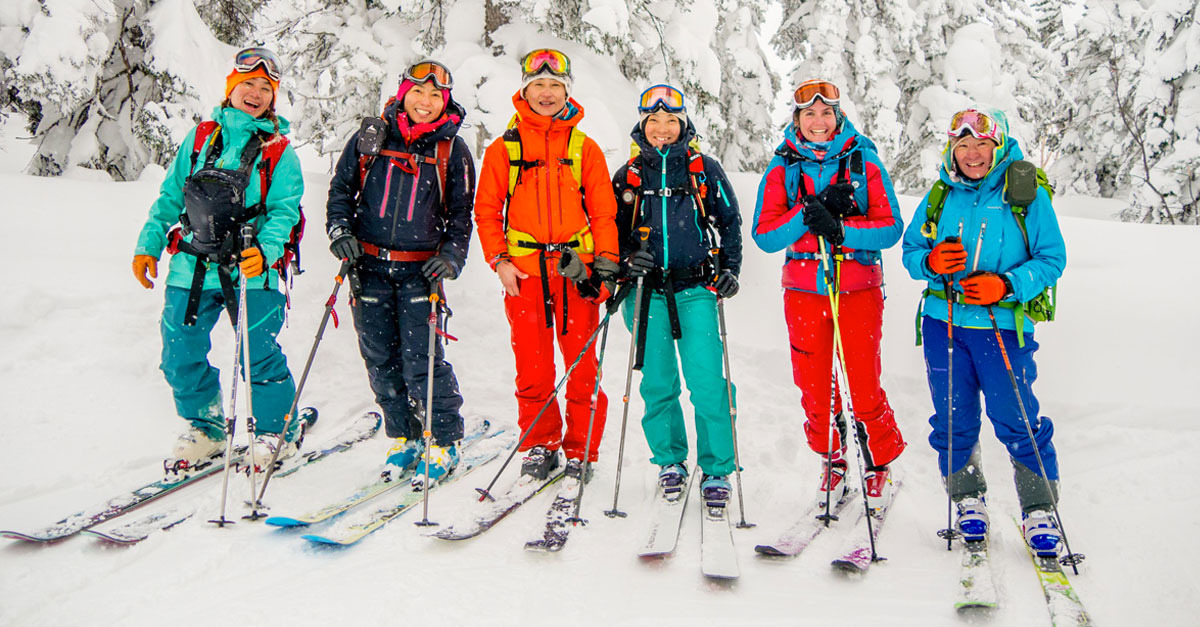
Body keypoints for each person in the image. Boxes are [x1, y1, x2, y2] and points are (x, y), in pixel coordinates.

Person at [900, 107, 1067, 555]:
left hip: (1002, 328)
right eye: (963, 145)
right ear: (952, 149)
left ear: (998, 147)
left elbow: (1052, 259)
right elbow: (911, 249)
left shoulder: (1024, 194)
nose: (972, 154)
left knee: (1016, 419)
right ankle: (967, 500)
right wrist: (930, 263)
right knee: (953, 419)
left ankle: (1038, 508)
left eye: (982, 145)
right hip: (943, 323)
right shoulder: (941, 193)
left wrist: (1006, 284)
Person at [133, 47, 303, 477]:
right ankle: (205, 425)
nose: (257, 92)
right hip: (191, 267)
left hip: (251, 271)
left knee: (258, 355)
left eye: (266, 87)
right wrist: (148, 244)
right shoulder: (200, 137)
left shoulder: (279, 152)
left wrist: (265, 250)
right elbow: (172, 195)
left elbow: (284, 210)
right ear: (231, 86)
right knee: (179, 354)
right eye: (249, 83)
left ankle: (273, 431)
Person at [752, 79, 906, 511]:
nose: (817, 122)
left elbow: (891, 227)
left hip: (857, 288)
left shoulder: (864, 162)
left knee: (862, 382)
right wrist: (808, 211)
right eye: (808, 114)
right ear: (796, 119)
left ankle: (878, 465)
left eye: (825, 113)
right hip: (804, 290)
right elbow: (764, 235)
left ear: (837, 116)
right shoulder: (783, 167)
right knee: (815, 387)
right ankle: (832, 460)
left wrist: (841, 229)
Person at [325, 60, 474, 487]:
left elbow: (461, 216)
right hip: (367, 266)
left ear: (444, 101)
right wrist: (339, 231)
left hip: (419, 271)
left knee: (422, 360)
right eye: (417, 92)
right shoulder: (372, 136)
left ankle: (444, 439)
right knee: (379, 358)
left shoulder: (452, 150)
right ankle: (403, 435)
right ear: (403, 93)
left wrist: (451, 257)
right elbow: (341, 191)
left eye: (434, 96)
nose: (424, 103)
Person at [473, 48, 620, 482]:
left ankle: (581, 450)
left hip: (578, 273)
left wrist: (606, 267)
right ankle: (540, 444)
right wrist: (498, 260)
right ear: (524, 90)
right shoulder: (505, 149)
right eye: (539, 84)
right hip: (524, 274)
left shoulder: (584, 147)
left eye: (556, 85)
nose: (547, 92)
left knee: (581, 366)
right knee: (533, 367)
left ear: (566, 91)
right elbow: (487, 211)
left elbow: (603, 212)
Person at [610, 84, 742, 502]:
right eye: (654, 121)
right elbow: (610, 233)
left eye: (671, 121)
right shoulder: (629, 175)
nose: (662, 129)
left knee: (707, 382)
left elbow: (730, 223)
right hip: (646, 293)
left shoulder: (704, 169)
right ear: (643, 125)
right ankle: (670, 461)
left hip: (696, 288)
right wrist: (630, 258)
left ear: (683, 125)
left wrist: (731, 270)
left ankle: (718, 467)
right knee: (658, 382)